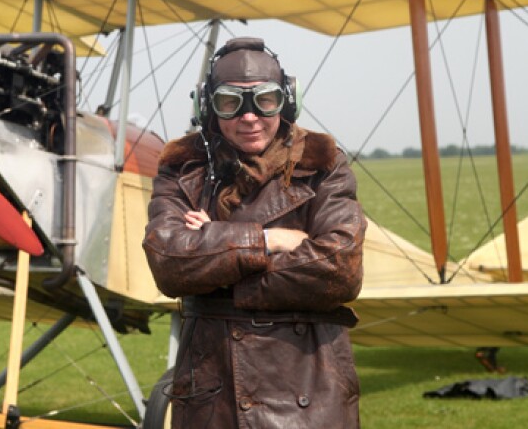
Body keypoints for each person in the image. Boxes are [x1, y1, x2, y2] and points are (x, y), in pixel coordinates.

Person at [142, 37, 366, 428]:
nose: (250, 118)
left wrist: (218, 258)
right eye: (231, 103)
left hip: (308, 384)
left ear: (286, 101)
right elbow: (168, 263)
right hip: (213, 392)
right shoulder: (183, 166)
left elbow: (340, 268)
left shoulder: (323, 162)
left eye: (264, 101)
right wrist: (268, 240)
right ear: (207, 106)